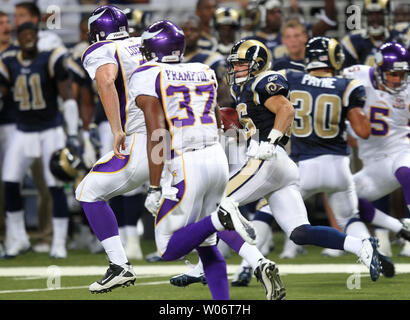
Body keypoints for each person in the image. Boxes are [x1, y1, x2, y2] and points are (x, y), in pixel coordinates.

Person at [168, 39, 384, 295]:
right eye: (234, 65)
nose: (235, 70)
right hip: (281, 165)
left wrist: (270, 142)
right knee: (301, 233)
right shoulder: (245, 89)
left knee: (216, 207)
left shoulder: (263, 80)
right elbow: (252, 121)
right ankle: (360, 246)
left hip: (267, 159)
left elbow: (286, 109)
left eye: (241, 64)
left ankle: (233, 264)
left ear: (257, 64)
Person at [130, 19, 257, 300]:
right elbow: (219, 120)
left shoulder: (147, 74)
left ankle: (219, 219)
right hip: (216, 156)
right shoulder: (203, 69)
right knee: (207, 247)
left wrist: (154, 186)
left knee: (166, 248)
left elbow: (157, 131)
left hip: (186, 161)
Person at [74, 5, 151, 293]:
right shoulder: (143, 43)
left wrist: (116, 128)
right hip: (174, 137)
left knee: (87, 191)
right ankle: (252, 260)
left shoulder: (100, 50)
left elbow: (106, 81)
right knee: (204, 206)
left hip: (142, 139)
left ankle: (120, 265)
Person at [0, 22, 79, 258]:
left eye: (32, 34)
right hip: (23, 130)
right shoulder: (8, 60)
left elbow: (67, 95)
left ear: (38, 37)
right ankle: (18, 239)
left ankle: (58, 243)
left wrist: (72, 134)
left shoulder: (49, 58)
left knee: (54, 186)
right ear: (18, 38)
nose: (29, 38)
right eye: (24, 35)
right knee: (10, 182)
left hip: (50, 130)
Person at [342, 42, 410, 257]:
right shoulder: (355, 76)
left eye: (402, 74)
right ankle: (400, 228)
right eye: (393, 74)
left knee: (405, 170)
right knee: (345, 200)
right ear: (379, 69)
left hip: (401, 149)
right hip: (373, 163)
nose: (398, 80)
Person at [341, 0, 410, 68]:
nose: (374, 19)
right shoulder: (353, 40)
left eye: (379, 14)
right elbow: (347, 74)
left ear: (388, 16)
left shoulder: (401, 33)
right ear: (365, 17)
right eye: (370, 14)